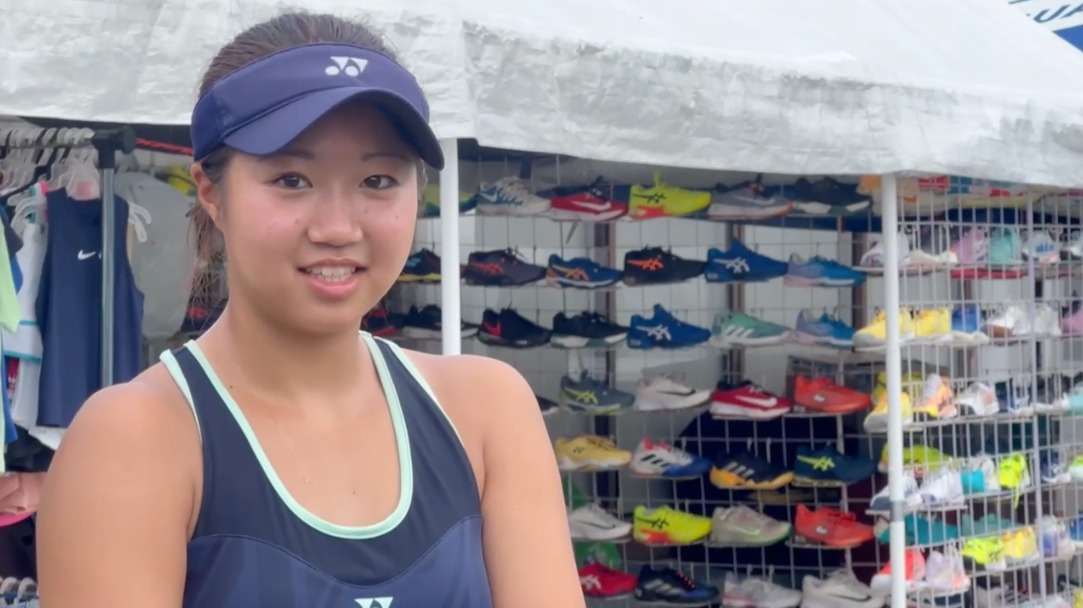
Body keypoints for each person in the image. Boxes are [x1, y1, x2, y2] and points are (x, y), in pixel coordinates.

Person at [35, 11, 584, 608]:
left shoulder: (486, 412)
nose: (338, 228)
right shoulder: (134, 439)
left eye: (378, 180)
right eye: (292, 180)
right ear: (212, 192)